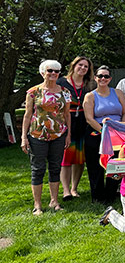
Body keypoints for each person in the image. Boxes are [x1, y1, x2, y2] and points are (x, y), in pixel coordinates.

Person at [21, 60, 71, 215]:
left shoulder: (65, 92)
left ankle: (54, 201)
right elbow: (27, 115)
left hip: (59, 134)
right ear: (43, 72)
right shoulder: (33, 92)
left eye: (57, 71)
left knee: (55, 168)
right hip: (37, 135)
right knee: (38, 169)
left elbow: (67, 114)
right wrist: (24, 137)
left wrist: (68, 134)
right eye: (50, 71)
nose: (53, 74)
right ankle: (37, 205)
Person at [83, 65, 125, 204]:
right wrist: (104, 131)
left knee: (114, 163)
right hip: (97, 132)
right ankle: (97, 195)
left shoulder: (118, 93)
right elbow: (89, 118)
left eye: (106, 76)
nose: (103, 78)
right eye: (100, 76)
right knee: (96, 165)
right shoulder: (90, 96)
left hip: (117, 133)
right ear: (95, 78)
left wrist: (121, 128)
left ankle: (111, 194)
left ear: (110, 79)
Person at [58, 56, 93, 201]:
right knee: (66, 158)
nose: (83, 68)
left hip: (84, 124)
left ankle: (74, 188)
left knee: (79, 158)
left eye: (86, 66)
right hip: (66, 123)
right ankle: (66, 190)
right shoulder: (61, 83)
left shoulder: (89, 85)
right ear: (74, 65)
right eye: (80, 65)